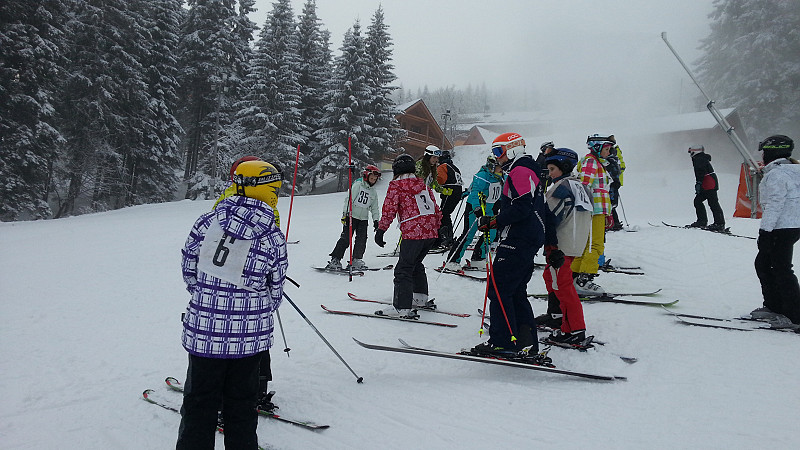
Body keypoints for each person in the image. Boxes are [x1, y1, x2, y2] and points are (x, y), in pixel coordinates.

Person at [177, 160, 288, 449]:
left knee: (198, 405)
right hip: (248, 338)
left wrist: (207, 298)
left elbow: (189, 270)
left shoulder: (206, 222)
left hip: (204, 334)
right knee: (241, 408)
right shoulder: (271, 233)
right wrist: (256, 307)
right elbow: (276, 288)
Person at [471, 132, 547, 355]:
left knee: (499, 289)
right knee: (515, 291)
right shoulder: (529, 170)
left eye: (499, 151)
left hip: (518, 237)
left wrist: (495, 221)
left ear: (513, 148)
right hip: (527, 237)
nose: (497, 157)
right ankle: (524, 341)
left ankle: (502, 342)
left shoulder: (520, 170)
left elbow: (522, 207)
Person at [374, 154, 443, 318]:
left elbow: (389, 209)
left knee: (403, 269)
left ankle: (402, 307)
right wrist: (438, 229)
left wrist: (381, 230)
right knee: (416, 263)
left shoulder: (396, 185)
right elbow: (435, 208)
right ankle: (420, 298)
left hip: (413, 233)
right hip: (430, 232)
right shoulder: (423, 185)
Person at [538, 148, 593, 345]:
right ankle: (556, 315)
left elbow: (550, 217)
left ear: (565, 167)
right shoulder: (582, 186)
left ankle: (575, 329)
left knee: (563, 286)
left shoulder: (561, 188)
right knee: (550, 276)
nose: (550, 174)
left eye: (553, 169)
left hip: (561, 244)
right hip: (576, 242)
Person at [751, 135, 800, 327]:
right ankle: (775, 306)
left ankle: (794, 316)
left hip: (782, 226)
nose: (762, 156)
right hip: (791, 225)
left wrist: (765, 232)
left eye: (764, 152)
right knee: (764, 264)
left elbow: (774, 205)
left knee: (780, 269)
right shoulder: (792, 170)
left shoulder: (777, 174)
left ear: (773, 153)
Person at [571, 135, 614, 296]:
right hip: (593, 210)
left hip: (598, 210)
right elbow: (584, 186)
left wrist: (607, 213)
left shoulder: (598, 163)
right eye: (606, 149)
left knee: (588, 245)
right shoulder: (591, 162)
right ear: (597, 147)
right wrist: (585, 209)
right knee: (594, 245)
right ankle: (583, 280)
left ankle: (573, 278)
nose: (609, 152)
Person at [445, 155, 504, 271]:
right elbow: (475, 192)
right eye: (499, 166)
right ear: (492, 166)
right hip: (474, 208)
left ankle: (478, 257)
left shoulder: (502, 177)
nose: (502, 169)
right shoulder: (482, 176)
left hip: (489, 209)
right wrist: (477, 209)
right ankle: (453, 261)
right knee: (468, 235)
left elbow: (501, 193)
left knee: (491, 233)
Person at [325, 165, 382, 270]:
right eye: (371, 178)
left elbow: (375, 208)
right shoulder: (358, 185)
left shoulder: (373, 192)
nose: (373, 181)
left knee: (362, 240)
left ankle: (356, 259)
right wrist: (345, 214)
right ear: (366, 176)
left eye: (375, 179)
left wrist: (376, 220)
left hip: (363, 219)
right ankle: (335, 259)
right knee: (346, 238)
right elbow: (349, 199)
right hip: (352, 216)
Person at [686, 145, 725, 231]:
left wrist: (699, 182)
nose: (690, 155)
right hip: (707, 184)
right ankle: (702, 221)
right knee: (698, 201)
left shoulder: (699, 159)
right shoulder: (700, 158)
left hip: (709, 184)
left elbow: (700, 171)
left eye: (690, 152)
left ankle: (719, 224)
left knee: (713, 203)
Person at [435, 150, 463, 250]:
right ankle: (448, 237)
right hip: (458, 190)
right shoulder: (454, 167)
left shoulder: (443, 166)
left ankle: (445, 238)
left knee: (443, 214)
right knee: (446, 213)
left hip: (450, 190)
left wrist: (434, 182)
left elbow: (441, 179)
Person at [606, 135, 626, 231]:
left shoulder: (612, 154)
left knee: (610, 202)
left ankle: (613, 223)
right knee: (610, 203)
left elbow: (620, 167)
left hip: (612, 182)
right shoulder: (615, 152)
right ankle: (614, 222)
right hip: (615, 181)